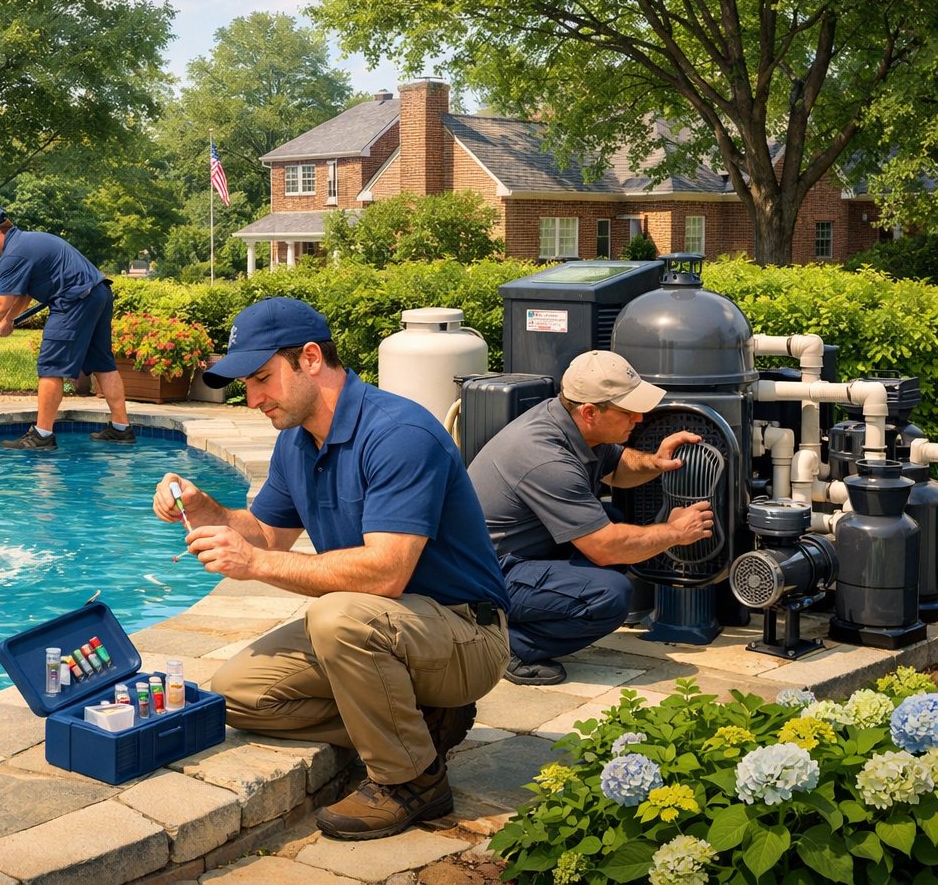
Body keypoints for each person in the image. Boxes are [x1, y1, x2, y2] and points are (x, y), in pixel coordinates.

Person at [152, 297, 510, 841]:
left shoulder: (397, 434)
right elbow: (269, 534)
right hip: (387, 629)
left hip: (465, 633)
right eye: (246, 385)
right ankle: (423, 724)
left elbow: (386, 574)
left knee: (338, 616)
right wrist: (209, 512)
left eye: (262, 379)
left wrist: (254, 564)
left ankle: (411, 781)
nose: (252, 399)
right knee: (238, 693)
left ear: (311, 359)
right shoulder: (297, 441)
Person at [467, 350, 714, 686]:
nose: (639, 419)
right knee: (609, 594)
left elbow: (616, 467)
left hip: (516, 554)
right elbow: (605, 548)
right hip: (484, 578)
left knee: (611, 519)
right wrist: (674, 532)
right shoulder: (545, 458)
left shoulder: (572, 424)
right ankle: (504, 645)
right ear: (589, 412)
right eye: (628, 412)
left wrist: (654, 462)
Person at [0, 205, 133, 450]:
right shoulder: (27, 242)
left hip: (74, 300)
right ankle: (121, 428)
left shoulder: (14, 254)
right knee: (102, 362)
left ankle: (42, 435)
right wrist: (9, 320)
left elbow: (0, 302)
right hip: (98, 293)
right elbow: (24, 292)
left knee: (50, 367)